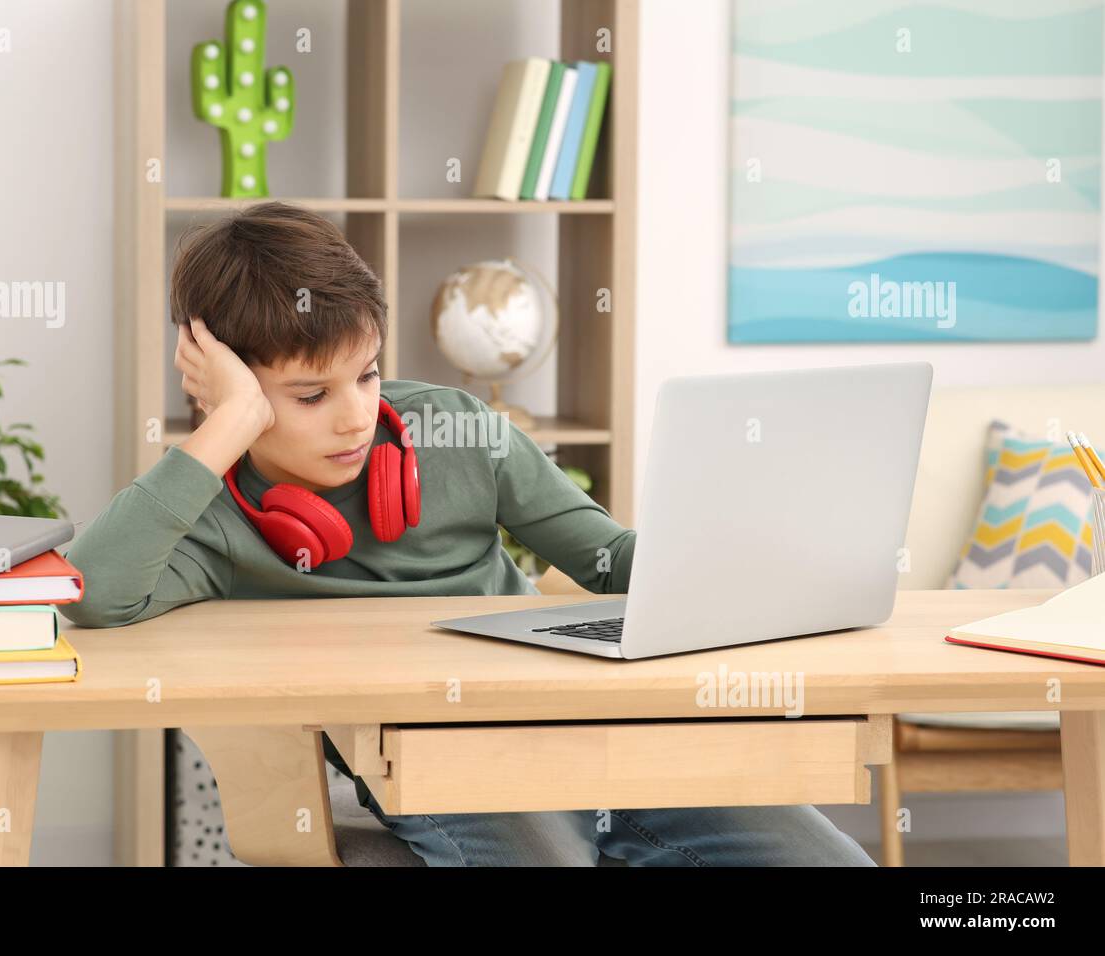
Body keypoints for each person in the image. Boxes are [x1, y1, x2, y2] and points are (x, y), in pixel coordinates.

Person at [64, 201, 875, 867]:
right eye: (308, 396)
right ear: (225, 386)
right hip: (423, 758)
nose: (354, 417)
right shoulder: (207, 512)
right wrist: (227, 426)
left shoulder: (455, 430)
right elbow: (93, 597)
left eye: (368, 373)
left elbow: (611, 564)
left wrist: (763, 549)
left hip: (581, 719)